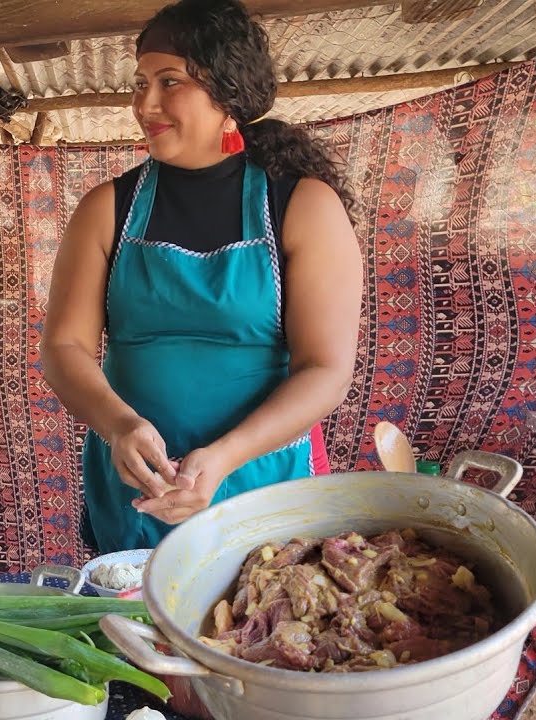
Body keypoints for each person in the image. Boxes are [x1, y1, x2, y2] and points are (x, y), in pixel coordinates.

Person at [42, 0, 362, 554]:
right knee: (136, 608)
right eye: (140, 83)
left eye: (170, 82)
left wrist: (223, 457)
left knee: (264, 603)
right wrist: (119, 426)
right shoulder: (106, 209)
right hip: (140, 484)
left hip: (261, 478)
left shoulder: (301, 206)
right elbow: (63, 346)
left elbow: (326, 370)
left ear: (229, 95)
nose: (145, 103)